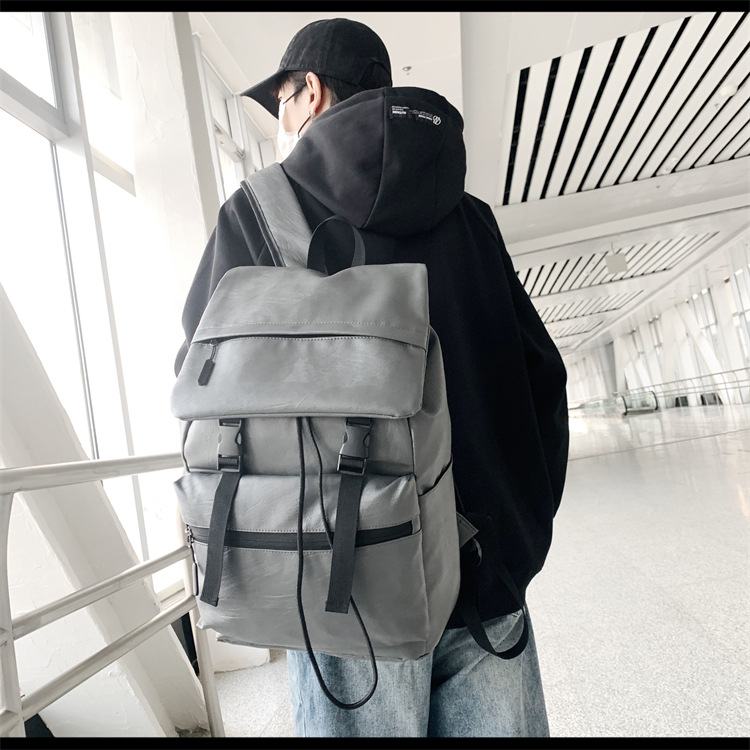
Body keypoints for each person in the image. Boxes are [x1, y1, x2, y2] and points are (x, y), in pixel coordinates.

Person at [175, 17, 569, 738]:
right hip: (487, 573)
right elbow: (541, 374)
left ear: (312, 91)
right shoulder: (472, 219)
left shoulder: (259, 214)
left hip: (343, 579)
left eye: (282, 102)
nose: (283, 122)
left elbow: (204, 381)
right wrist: (518, 533)